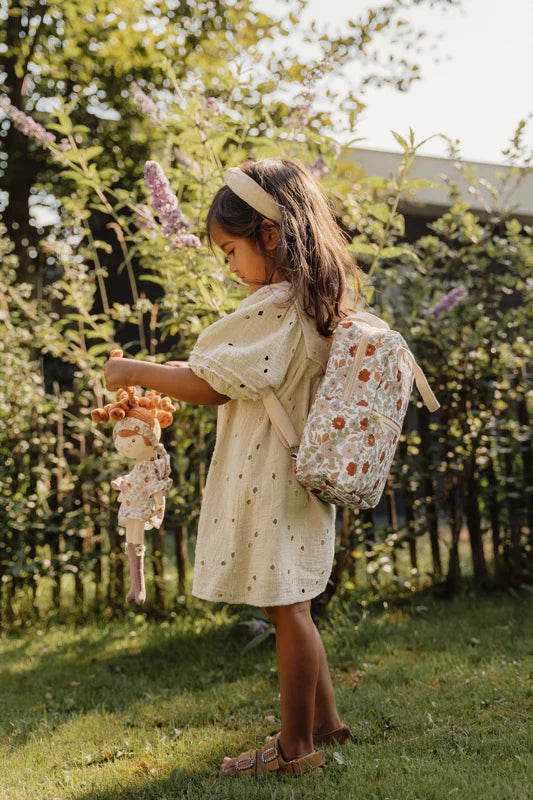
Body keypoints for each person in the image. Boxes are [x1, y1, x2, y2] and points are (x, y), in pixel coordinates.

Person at [103, 156, 362, 778]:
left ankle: (296, 747)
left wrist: (131, 370)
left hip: (272, 474)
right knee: (291, 599)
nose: (229, 265)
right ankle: (325, 721)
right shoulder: (312, 300)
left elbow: (212, 383)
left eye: (230, 250)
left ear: (270, 235)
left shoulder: (278, 302)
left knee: (286, 605)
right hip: (295, 470)